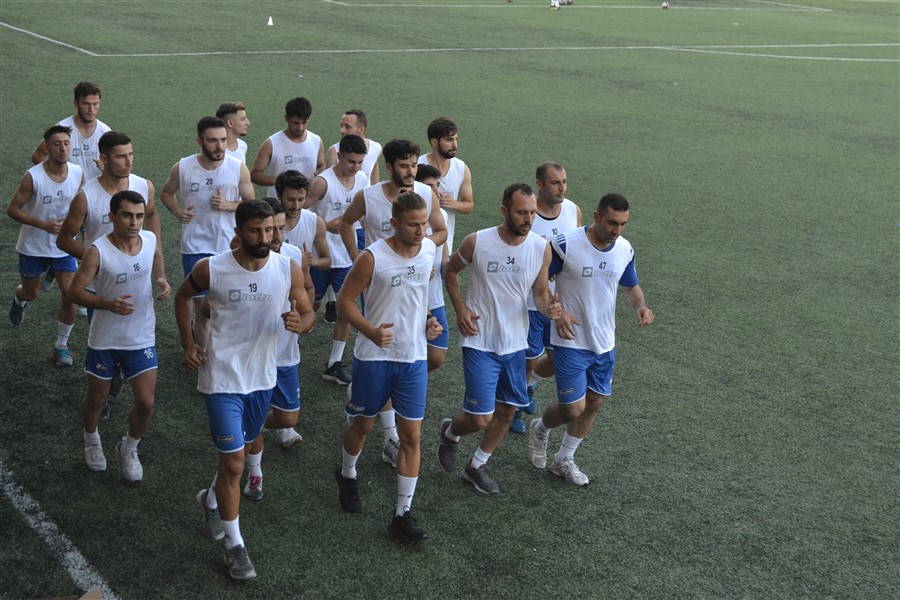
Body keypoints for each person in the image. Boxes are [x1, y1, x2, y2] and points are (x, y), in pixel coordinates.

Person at [175, 200, 315, 581]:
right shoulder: (211, 268)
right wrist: (189, 344)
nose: (266, 237)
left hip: (262, 378)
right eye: (256, 231)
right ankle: (235, 547)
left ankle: (210, 499)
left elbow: (308, 312)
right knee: (235, 462)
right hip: (221, 377)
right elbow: (183, 297)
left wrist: (300, 322)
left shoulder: (287, 268)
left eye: (270, 230)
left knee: (237, 456)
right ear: (238, 232)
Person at [436, 183, 560, 495]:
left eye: (532, 213)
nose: (528, 219)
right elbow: (450, 271)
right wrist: (460, 309)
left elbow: (540, 293)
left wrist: (550, 309)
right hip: (479, 340)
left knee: (507, 411)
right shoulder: (477, 241)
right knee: (480, 418)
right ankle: (450, 433)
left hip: (515, 344)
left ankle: (477, 465)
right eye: (521, 212)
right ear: (504, 211)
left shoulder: (540, 248)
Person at [334, 191, 441, 543]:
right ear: (394, 223)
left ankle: (402, 514)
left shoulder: (428, 251)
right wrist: (370, 331)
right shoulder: (372, 257)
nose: (421, 231)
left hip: (413, 359)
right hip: (374, 358)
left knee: (412, 436)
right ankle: (347, 473)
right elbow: (345, 301)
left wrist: (428, 320)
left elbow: (418, 297)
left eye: (424, 224)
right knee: (362, 425)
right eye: (413, 225)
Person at [527, 193, 653, 486]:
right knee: (573, 408)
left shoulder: (624, 249)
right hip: (570, 339)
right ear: (596, 217)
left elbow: (630, 286)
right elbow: (539, 285)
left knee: (594, 403)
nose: (617, 230)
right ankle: (540, 428)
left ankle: (563, 459)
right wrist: (556, 312)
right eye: (612, 223)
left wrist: (641, 306)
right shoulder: (565, 245)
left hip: (604, 342)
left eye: (623, 224)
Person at [338, 139, 447, 467]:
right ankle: (388, 435)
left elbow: (440, 231)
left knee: (434, 355)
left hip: (415, 282)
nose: (411, 171)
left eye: (414, 165)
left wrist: (421, 250)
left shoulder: (425, 195)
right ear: (389, 167)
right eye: (404, 166)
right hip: (378, 283)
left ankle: (377, 400)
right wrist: (357, 257)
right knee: (382, 347)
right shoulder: (369, 196)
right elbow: (346, 222)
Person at [57, 130, 165, 419]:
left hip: (136, 283)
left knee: (134, 338)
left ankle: (112, 387)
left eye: (131, 155)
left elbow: (152, 217)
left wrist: (159, 269)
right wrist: (97, 260)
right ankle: (104, 392)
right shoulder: (86, 197)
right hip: (99, 288)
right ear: (103, 160)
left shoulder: (143, 186)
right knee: (107, 343)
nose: (129, 162)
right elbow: (64, 239)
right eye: (121, 157)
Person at [67, 191, 170, 481]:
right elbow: (74, 291)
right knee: (97, 400)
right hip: (105, 339)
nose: (134, 222)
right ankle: (92, 440)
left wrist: (161, 278)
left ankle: (129, 447)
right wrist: (107, 304)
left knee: (146, 403)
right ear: (112, 217)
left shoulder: (149, 239)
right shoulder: (97, 251)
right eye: (127, 215)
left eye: (139, 216)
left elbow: (157, 254)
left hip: (141, 337)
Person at [240, 198, 314, 499]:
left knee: (288, 419)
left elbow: (308, 293)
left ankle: (251, 426)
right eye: (272, 229)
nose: (277, 236)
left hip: (285, 354)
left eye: (281, 229)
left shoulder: (293, 257)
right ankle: (255, 474)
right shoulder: (240, 259)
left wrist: (303, 322)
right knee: (256, 419)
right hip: (252, 356)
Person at [159, 116, 254, 348]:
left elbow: (251, 204)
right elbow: (166, 193)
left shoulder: (237, 168)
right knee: (202, 309)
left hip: (228, 247)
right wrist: (178, 212)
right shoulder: (183, 167)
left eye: (223, 140)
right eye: (212, 141)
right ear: (199, 141)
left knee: (227, 304)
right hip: (195, 247)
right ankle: (203, 357)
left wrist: (228, 205)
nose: (220, 146)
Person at [510, 161, 582, 433]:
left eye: (564, 182)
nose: (562, 188)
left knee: (557, 358)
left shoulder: (573, 211)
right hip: (530, 303)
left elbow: (577, 249)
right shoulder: (527, 215)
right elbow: (512, 251)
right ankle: (514, 408)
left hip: (560, 303)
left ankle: (528, 386)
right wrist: (541, 272)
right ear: (540, 185)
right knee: (528, 359)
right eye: (555, 183)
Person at [8, 125, 84, 366]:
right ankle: (19, 300)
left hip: (63, 247)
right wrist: (42, 224)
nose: (63, 149)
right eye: (57, 144)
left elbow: (82, 204)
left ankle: (61, 346)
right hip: (33, 246)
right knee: (31, 293)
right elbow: (12, 209)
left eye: (66, 143)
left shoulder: (77, 172)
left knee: (70, 295)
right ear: (47, 147)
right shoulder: (33, 177)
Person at [321, 109, 383, 316]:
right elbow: (333, 186)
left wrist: (373, 197)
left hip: (359, 220)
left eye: (347, 126)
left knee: (354, 262)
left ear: (361, 129)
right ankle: (331, 300)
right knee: (335, 258)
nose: (342, 130)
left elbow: (374, 169)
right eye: (342, 125)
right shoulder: (334, 151)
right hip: (336, 221)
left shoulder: (375, 148)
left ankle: (344, 300)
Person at [304, 135, 367, 333]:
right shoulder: (322, 182)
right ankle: (296, 336)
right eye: (351, 161)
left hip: (346, 255)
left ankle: (337, 353)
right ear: (339, 156)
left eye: (360, 162)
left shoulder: (362, 179)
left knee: (344, 308)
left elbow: (363, 213)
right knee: (312, 304)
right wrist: (324, 225)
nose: (356, 167)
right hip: (322, 255)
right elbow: (299, 210)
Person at [31, 81, 110, 182]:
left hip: (96, 190)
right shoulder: (61, 129)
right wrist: (59, 176)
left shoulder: (105, 132)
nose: (91, 110)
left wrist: (107, 169)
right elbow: (38, 156)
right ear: (76, 103)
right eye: (86, 104)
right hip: (70, 191)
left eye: (95, 104)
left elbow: (117, 165)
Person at [417, 116, 473, 253]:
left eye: (456, 139)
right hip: (417, 239)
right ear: (434, 142)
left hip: (444, 242)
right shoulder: (416, 166)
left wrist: (453, 203)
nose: (455, 145)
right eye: (449, 140)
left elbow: (469, 205)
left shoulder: (462, 168)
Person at [415, 164, 451, 372]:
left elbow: (443, 247)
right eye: (430, 186)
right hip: (410, 297)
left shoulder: (441, 216)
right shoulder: (405, 219)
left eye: (438, 185)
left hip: (434, 295)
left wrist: (446, 264)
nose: (437, 191)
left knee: (436, 355)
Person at [251, 97, 324, 198]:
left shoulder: (316, 141)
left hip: (307, 203)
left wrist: (317, 175)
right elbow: (254, 174)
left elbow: (321, 165)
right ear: (286, 118)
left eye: (304, 122)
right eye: (296, 123)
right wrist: (281, 181)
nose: (300, 128)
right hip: (278, 203)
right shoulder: (271, 144)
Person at [275, 170, 330, 286]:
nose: (296, 206)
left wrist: (312, 261)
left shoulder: (315, 222)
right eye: (290, 200)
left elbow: (327, 261)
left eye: (301, 200)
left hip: (300, 286)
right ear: (279, 196)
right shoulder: (267, 222)